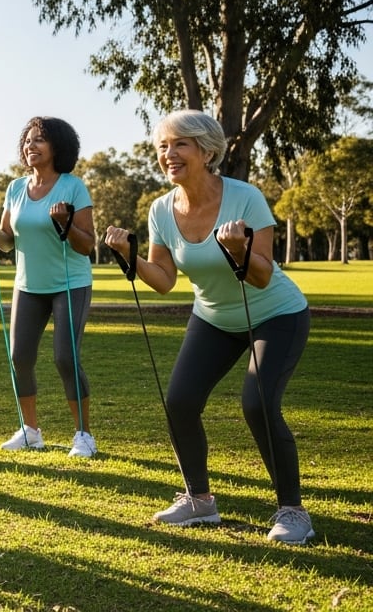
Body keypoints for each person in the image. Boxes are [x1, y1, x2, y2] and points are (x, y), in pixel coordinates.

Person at [103, 109, 314, 545]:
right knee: (179, 401)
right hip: (214, 317)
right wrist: (130, 257)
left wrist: (240, 250)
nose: (169, 153)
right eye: (163, 146)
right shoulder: (162, 209)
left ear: (206, 149)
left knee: (257, 404)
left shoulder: (245, 198)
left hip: (276, 314)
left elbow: (260, 275)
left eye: (179, 144)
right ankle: (199, 501)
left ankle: (293, 511)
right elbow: (163, 281)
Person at [0, 117, 98, 457]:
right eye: (27, 140)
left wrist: (66, 223)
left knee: (65, 358)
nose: (31, 146)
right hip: (28, 286)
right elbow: (7, 242)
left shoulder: (73, 187)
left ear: (57, 146)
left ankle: (83, 435)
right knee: (20, 357)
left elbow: (87, 245)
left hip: (69, 285)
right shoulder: (15, 188)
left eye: (39, 140)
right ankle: (30, 431)